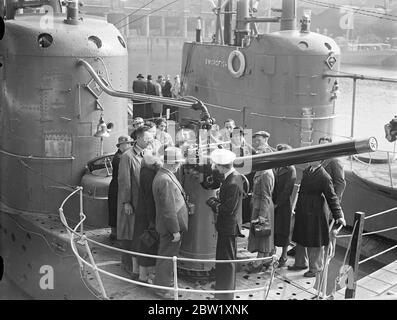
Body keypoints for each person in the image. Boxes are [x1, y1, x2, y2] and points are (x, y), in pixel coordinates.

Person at [288, 160, 346, 277]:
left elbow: (332, 196)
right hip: (303, 209)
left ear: (320, 161)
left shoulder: (324, 176)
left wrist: (338, 215)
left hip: (316, 212)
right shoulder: (307, 171)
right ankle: (300, 262)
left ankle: (316, 267)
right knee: (300, 236)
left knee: (315, 240)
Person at [206, 149, 244, 300]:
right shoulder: (232, 177)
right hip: (226, 226)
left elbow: (229, 209)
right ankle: (222, 287)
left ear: (221, 166)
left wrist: (213, 203)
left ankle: (226, 295)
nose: (216, 168)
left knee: (227, 260)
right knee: (222, 258)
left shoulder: (233, 181)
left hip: (228, 226)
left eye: (217, 166)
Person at [117, 126, 153, 279]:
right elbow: (124, 181)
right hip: (132, 202)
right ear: (137, 139)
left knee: (137, 233)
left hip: (142, 203)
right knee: (129, 233)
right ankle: (129, 265)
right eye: (146, 139)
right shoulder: (127, 156)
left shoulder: (147, 154)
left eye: (150, 138)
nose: (149, 141)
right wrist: (126, 202)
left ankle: (137, 266)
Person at [152, 147, 188, 299]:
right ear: (173, 163)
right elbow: (168, 209)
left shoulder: (165, 175)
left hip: (168, 226)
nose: (180, 165)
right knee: (166, 258)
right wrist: (175, 231)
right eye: (179, 162)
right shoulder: (165, 180)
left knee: (167, 256)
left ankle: (165, 284)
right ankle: (161, 289)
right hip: (169, 228)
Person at [132, 154, 162, 284]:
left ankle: (137, 271)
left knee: (140, 241)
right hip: (147, 215)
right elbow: (150, 199)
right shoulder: (150, 175)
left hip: (141, 212)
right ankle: (145, 276)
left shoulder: (143, 171)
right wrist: (153, 220)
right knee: (147, 243)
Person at [247, 149, 275, 273]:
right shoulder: (262, 171)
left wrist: (262, 216)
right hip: (259, 205)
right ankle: (265, 260)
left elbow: (266, 196)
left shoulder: (266, 174)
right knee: (260, 235)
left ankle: (259, 262)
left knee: (262, 235)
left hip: (263, 208)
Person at [272, 144, 296, 267]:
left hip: (284, 205)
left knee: (284, 230)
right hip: (274, 202)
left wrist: (277, 204)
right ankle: (273, 252)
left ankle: (284, 255)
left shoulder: (291, 169)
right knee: (274, 228)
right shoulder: (276, 167)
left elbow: (287, 190)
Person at [108, 135, 133, 240]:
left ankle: (116, 232)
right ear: (121, 145)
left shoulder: (120, 155)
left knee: (114, 209)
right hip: (117, 187)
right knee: (115, 209)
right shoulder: (120, 158)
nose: (131, 145)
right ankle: (116, 233)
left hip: (117, 185)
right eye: (128, 143)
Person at [318, 136, 346, 201]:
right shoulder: (317, 161)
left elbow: (341, 183)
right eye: (320, 146)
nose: (323, 148)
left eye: (325, 146)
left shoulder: (335, 161)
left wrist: (334, 201)